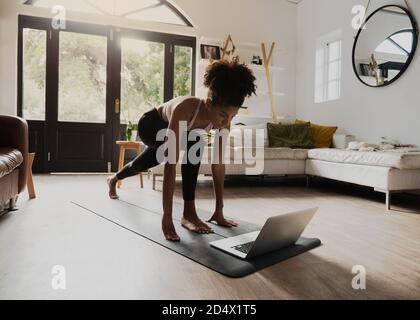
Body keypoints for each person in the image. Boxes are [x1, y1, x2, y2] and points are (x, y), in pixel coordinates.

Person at [107, 59, 257, 241]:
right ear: (209, 104)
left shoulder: (223, 121)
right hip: (151, 125)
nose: (226, 122)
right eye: (222, 115)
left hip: (181, 133)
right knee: (175, 150)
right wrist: (167, 217)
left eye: (232, 116)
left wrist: (219, 211)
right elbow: (171, 165)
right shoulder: (185, 109)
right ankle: (186, 214)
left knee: (191, 144)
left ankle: (187, 212)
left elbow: (218, 165)